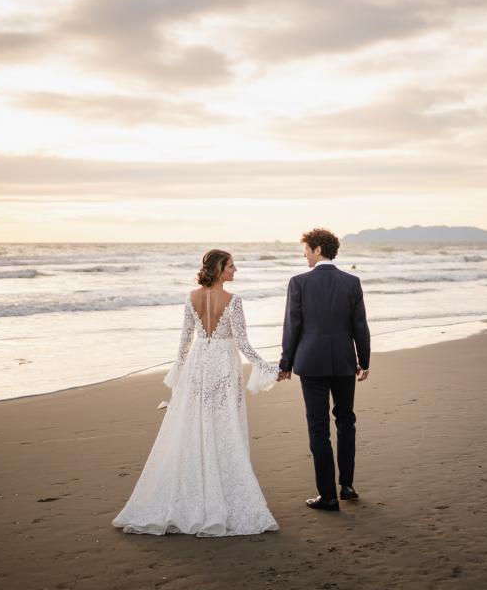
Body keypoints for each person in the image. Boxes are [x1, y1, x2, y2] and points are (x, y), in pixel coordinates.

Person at [112, 249, 280, 537]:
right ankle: (220, 494)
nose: (235, 270)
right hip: (225, 366)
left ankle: (195, 490)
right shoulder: (234, 301)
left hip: (197, 366)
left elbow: (184, 341)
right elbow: (242, 342)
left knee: (196, 425)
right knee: (224, 425)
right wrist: (268, 367)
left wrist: (179, 374)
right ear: (218, 268)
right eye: (231, 265)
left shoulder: (191, 298)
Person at [279, 227, 371, 511]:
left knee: (318, 428)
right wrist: (364, 361)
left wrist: (286, 363)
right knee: (346, 421)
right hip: (344, 362)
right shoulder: (351, 282)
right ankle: (347, 485)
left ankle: (328, 495)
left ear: (317, 249)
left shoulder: (299, 283)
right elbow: (360, 326)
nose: (304, 255)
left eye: (306, 249)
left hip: (311, 363)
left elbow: (292, 326)